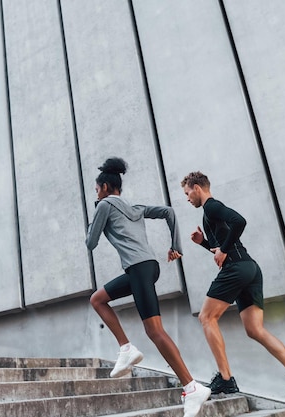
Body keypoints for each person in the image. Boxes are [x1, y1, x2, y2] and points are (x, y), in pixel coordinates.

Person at [180, 171, 285, 412]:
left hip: (237, 268)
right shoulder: (210, 213)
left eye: (187, 193)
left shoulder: (211, 206)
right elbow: (222, 250)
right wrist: (204, 243)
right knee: (255, 329)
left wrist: (222, 250)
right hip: (249, 269)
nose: (187, 199)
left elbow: (240, 222)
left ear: (197, 187)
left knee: (206, 317)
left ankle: (225, 378)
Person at [86, 158, 211, 417]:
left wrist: (98, 207)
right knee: (98, 299)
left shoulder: (104, 205)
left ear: (106, 187)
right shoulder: (133, 208)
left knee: (155, 331)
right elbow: (169, 212)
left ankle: (191, 386)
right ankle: (126, 348)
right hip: (145, 268)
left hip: (139, 268)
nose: (95, 193)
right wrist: (175, 246)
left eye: (96, 189)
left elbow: (90, 242)